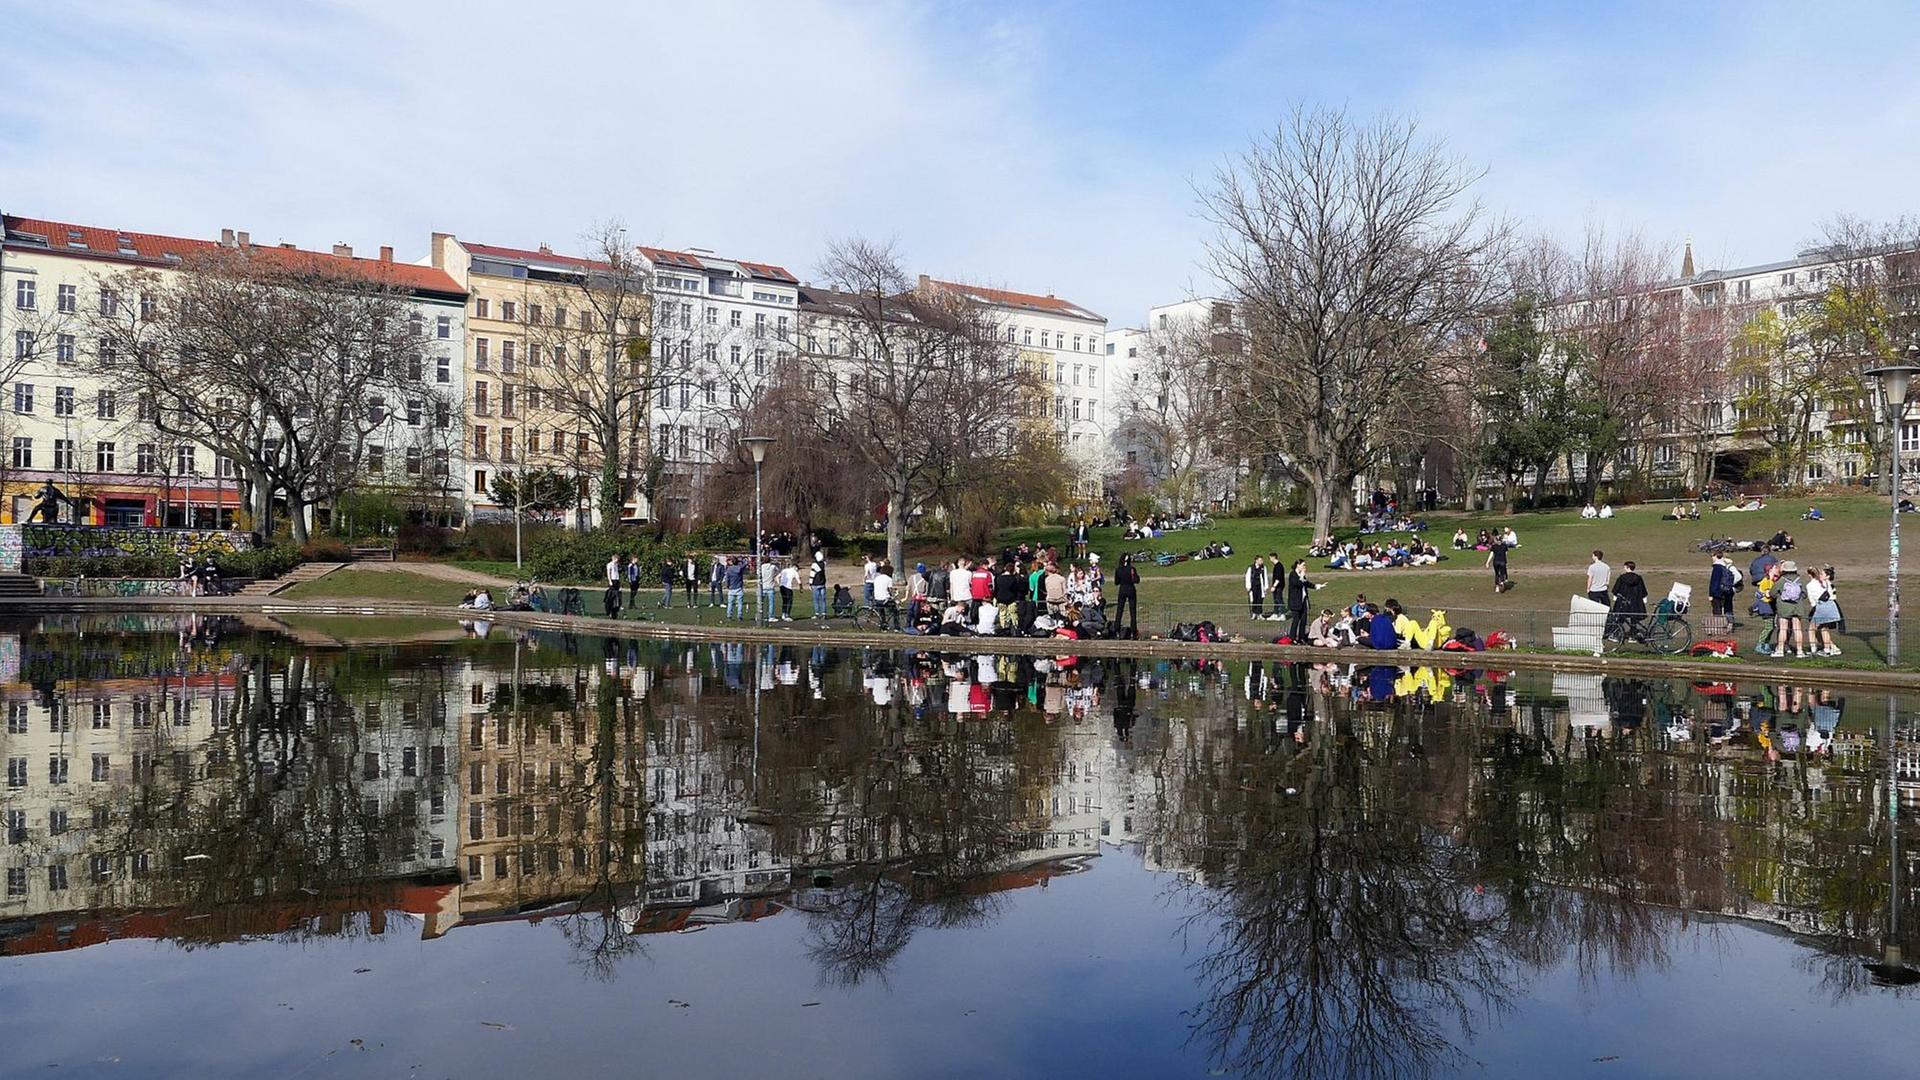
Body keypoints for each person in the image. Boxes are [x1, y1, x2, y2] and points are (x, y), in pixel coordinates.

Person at [1807, 566, 1843, 657]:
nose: (1821, 575)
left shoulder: (1812, 585)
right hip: (1831, 606)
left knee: (1812, 628)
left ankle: (1813, 649)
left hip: (1822, 607)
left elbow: (1813, 601)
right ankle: (1827, 650)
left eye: (1822, 574)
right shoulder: (1827, 583)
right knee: (1824, 628)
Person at [1774, 560, 1806, 658]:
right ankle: (1800, 651)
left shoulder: (1781, 580)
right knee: (1797, 629)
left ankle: (1780, 650)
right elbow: (1804, 594)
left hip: (1784, 607)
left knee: (1783, 629)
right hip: (1797, 607)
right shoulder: (1800, 580)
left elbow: (1772, 593)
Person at [1285, 559, 1319, 643]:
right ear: (1298, 565)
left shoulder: (1301, 575)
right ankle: (1292, 638)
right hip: (1295, 602)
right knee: (1296, 620)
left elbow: (1306, 583)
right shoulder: (1293, 574)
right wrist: (1302, 576)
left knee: (1303, 620)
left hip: (1303, 601)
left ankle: (1301, 637)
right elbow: (1298, 584)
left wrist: (1316, 586)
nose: (1305, 567)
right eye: (1303, 565)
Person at [1113, 554, 1140, 639]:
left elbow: (1116, 582)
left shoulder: (1118, 569)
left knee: (1119, 610)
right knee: (1133, 612)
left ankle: (1116, 630)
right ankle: (1133, 631)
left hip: (1122, 589)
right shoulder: (1132, 569)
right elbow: (1136, 580)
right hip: (1130, 589)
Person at [1708, 554, 1736, 618]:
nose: (1712, 558)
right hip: (1725, 590)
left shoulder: (1717, 567)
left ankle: (1719, 625)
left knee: (1717, 610)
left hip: (1717, 593)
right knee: (1727, 608)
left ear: (1716, 557)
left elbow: (1714, 582)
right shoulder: (1724, 566)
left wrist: (1711, 594)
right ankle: (1728, 623)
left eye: (1712, 556)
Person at [871, 561, 898, 629]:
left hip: (877, 598)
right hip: (885, 599)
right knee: (895, 611)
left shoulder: (876, 578)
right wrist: (894, 595)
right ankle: (896, 627)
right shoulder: (889, 579)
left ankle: (883, 626)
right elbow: (890, 590)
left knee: (881, 612)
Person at [724, 557, 746, 621]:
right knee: (739, 603)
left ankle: (729, 616)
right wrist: (741, 560)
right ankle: (739, 616)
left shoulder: (729, 569)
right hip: (739, 587)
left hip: (731, 587)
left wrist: (727, 585)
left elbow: (727, 578)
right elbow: (745, 563)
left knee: (730, 603)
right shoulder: (740, 568)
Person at [811, 554, 829, 619]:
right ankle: (824, 613)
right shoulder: (824, 564)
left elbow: (812, 575)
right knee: (823, 599)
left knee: (816, 599)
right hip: (822, 583)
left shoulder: (814, 565)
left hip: (815, 584)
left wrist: (810, 583)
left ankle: (817, 614)